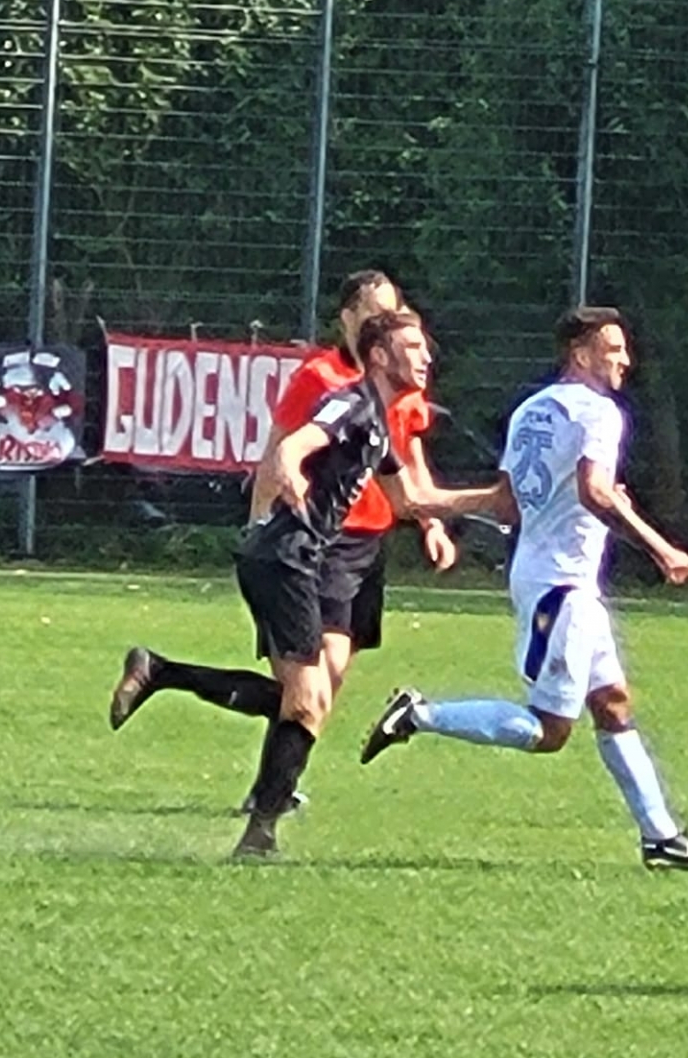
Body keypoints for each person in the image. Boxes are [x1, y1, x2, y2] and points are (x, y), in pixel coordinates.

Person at [358, 306, 688, 872]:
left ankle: (661, 837)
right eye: (613, 349)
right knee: (550, 730)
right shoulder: (599, 412)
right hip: (562, 588)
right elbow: (593, 493)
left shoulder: (532, 409)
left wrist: (432, 506)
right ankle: (421, 715)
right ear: (580, 355)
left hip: (553, 577)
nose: (625, 360)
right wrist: (660, 546)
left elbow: (510, 502)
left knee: (613, 704)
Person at [107, 271, 458, 815]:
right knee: (307, 691)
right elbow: (281, 449)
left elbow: (407, 461)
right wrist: (261, 525)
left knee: (318, 691)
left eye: (392, 312)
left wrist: (432, 523)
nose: (383, 322)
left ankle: (168, 679)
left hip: (367, 548)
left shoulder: (398, 384)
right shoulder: (323, 378)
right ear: (349, 318)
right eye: (373, 312)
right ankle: (266, 798)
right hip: (318, 545)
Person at [183, 309, 508, 859]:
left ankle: (254, 823)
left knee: (306, 700)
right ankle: (259, 833)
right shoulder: (352, 403)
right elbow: (298, 442)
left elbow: (410, 500)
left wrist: (493, 499)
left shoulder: (380, 421)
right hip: (282, 559)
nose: (426, 357)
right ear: (379, 355)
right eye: (413, 347)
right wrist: (288, 465)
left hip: (299, 561)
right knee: (308, 699)